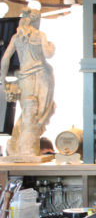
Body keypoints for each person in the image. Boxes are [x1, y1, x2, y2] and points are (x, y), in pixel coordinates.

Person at [0, 8, 55, 156]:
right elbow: (48, 54)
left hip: (25, 77)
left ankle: (19, 146)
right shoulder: (40, 35)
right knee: (40, 112)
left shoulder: (17, 37)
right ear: (37, 21)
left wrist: (2, 79)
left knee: (27, 113)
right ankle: (24, 148)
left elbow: (5, 59)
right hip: (42, 76)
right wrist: (51, 46)